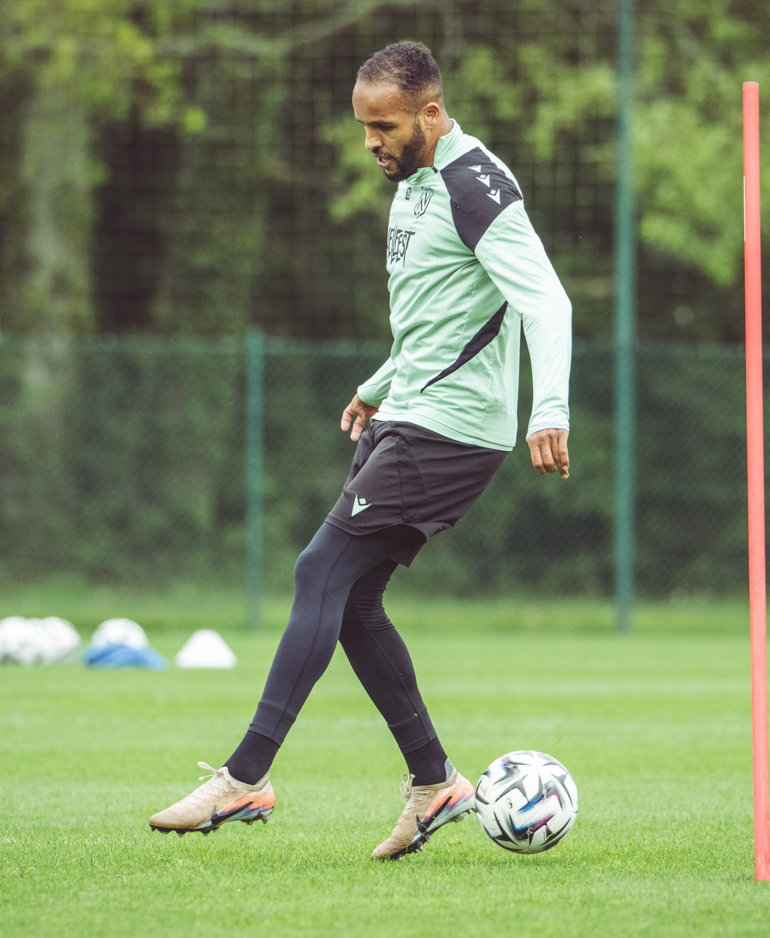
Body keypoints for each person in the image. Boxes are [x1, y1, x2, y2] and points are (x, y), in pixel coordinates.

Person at [149, 39, 573, 860]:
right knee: (351, 602)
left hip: (450, 427)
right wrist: (380, 381)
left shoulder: (474, 183)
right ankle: (436, 782)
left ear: (431, 114)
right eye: (364, 128)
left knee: (319, 571)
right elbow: (440, 313)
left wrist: (547, 407)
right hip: (410, 410)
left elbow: (545, 300)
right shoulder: (414, 184)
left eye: (385, 127)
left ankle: (244, 778)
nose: (372, 143)